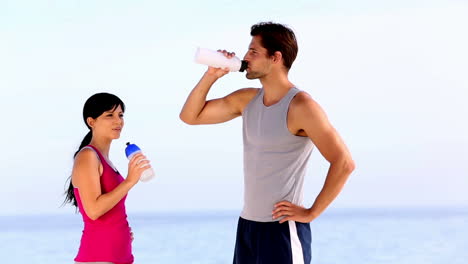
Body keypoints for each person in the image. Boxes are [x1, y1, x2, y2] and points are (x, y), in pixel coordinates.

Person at [180, 22, 355, 264]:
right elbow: (190, 116)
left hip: (281, 230)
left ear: (276, 58)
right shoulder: (247, 99)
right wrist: (211, 76)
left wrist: (312, 212)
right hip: (248, 226)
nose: (244, 58)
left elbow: (344, 163)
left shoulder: (302, 106)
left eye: (253, 51)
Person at [63, 93, 151, 264]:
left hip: (118, 256)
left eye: (120, 115)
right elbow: (94, 211)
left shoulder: (106, 161)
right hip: (98, 257)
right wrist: (129, 181)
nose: (118, 121)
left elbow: (110, 209)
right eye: (109, 115)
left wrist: (120, 232)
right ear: (91, 122)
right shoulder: (88, 156)